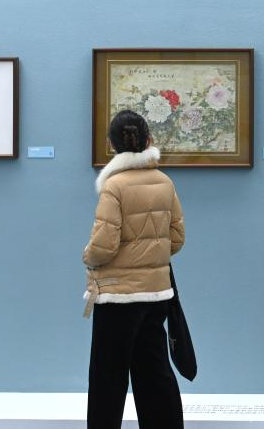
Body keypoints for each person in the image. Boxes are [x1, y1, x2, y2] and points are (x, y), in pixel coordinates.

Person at [83, 110, 186, 429]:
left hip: (117, 297)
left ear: (112, 145)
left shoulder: (114, 186)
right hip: (156, 294)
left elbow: (103, 246)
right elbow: (177, 238)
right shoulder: (164, 182)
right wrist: (149, 257)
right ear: (148, 140)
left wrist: (87, 257)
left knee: (108, 378)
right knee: (155, 373)